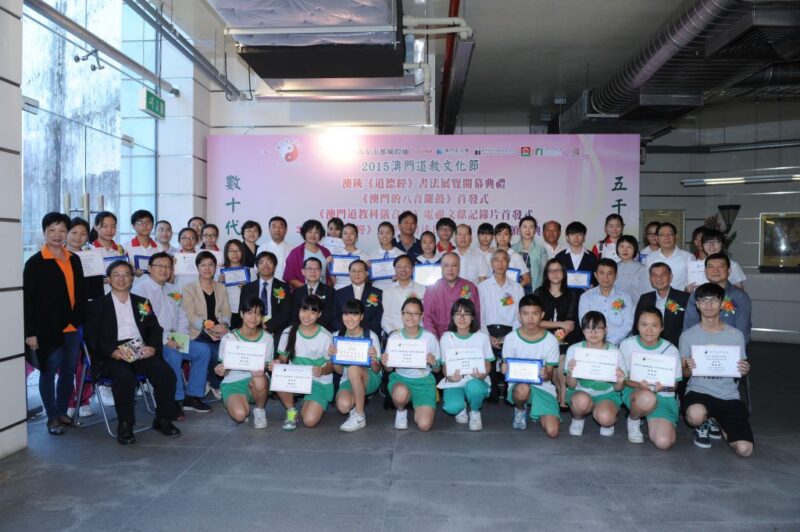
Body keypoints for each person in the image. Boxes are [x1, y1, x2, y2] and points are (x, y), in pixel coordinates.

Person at [84, 260, 179, 445]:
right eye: (116, 275)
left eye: (126, 274)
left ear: (131, 278)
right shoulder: (97, 305)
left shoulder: (141, 302)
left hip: (139, 348)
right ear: (108, 279)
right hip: (112, 353)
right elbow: (92, 336)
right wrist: (112, 351)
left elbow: (155, 329)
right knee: (124, 376)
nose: (121, 279)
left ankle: (163, 419)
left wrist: (152, 347)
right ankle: (125, 424)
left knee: (165, 373)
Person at [24, 213, 86, 435]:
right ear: (44, 233)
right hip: (46, 329)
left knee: (68, 372)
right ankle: (51, 417)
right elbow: (28, 302)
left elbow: (80, 293)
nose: (57, 235)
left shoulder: (74, 259)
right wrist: (31, 333)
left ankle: (61, 411)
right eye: (52, 230)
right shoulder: (35, 263)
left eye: (62, 230)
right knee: (48, 373)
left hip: (72, 328)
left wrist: (79, 319)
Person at [132, 252, 211, 416]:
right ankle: (175, 400)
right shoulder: (140, 290)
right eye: (159, 266)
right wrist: (166, 340)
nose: (164, 269)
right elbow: (143, 324)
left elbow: (182, 315)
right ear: (149, 268)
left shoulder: (173, 289)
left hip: (174, 337)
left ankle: (193, 396)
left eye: (168, 266)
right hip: (152, 342)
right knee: (173, 355)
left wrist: (180, 337)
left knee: (203, 350)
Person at [680, 283, 752, 457]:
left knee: (745, 450)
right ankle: (704, 422)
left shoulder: (736, 335)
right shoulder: (687, 336)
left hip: (728, 395)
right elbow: (682, 373)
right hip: (698, 391)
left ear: (722, 304)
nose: (708, 304)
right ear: (697, 304)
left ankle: (715, 418)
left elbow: (740, 370)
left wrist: (744, 369)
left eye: (714, 300)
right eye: (703, 300)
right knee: (696, 415)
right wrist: (689, 368)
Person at [619, 308, 682, 449]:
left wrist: (663, 388)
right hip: (635, 392)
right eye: (644, 325)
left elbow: (674, 386)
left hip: (662, 395)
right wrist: (638, 386)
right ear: (637, 326)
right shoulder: (627, 345)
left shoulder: (671, 350)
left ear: (662, 327)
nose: (649, 330)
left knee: (663, 442)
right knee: (647, 397)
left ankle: (661, 415)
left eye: (654, 325)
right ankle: (634, 420)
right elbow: (623, 379)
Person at [499, 295, 560, 437]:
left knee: (552, 432)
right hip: (519, 385)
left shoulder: (551, 340)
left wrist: (546, 374)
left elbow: (549, 374)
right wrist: (504, 370)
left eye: (535, 314)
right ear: (519, 315)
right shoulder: (511, 338)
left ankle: (539, 410)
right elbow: (507, 369)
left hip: (543, 387)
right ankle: (520, 409)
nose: (530, 318)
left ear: (542, 315)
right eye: (525, 314)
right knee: (522, 390)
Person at [274, 295, 334, 430]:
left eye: (312, 312)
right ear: (299, 311)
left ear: (319, 314)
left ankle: (310, 401)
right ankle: (291, 410)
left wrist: (322, 370)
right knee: (278, 374)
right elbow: (283, 358)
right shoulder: (288, 332)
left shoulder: (326, 336)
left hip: (318, 380)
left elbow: (331, 367)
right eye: (304, 310)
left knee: (309, 421)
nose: (307, 316)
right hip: (296, 377)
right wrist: (277, 362)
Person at [382, 297, 441, 431]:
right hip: (401, 380)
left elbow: (437, 370)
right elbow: (389, 369)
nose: (411, 317)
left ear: (421, 315)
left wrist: (434, 363)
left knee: (424, 425)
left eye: (415, 313)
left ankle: (418, 407)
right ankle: (401, 410)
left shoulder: (429, 337)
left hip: (424, 383)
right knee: (400, 394)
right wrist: (385, 363)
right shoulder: (394, 337)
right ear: (402, 314)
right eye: (407, 313)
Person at [215, 297, 273, 429]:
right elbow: (226, 369)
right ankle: (242, 406)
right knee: (240, 415)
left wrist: (266, 367)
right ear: (241, 314)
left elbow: (266, 364)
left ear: (262, 317)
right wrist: (221, 370)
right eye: (249, 313)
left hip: (256, 382)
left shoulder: (267, 338)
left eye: (258, 314)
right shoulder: (229, 338)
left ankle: (259, 410)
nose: (253, 318)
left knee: (259, 379)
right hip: (233, 381)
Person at [565, 311, 626, 437]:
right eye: (588, 328)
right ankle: (578, 419)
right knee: (581, 401)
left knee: (606, 418)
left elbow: (618, 388)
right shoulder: (574, 350)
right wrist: (571, 372)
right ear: (583, 330)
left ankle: (606, 417)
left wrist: (620, 380)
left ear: (605, 330)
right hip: (581, 391)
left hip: (607, 394)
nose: (593, 333)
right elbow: (571, 385)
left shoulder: (615, 353)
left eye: (598, 328)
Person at [533, 258, 581, 409]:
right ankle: (559, 388)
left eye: (558, 270)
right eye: (551, 270)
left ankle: (563, 392)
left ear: (564, 273)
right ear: (546, 274)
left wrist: (560, 335)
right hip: (543, 335)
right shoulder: (539, 293)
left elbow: (570, 323)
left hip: (567, 336)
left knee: (561, 357)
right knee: (552, 357)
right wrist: (559, 325)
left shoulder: (572, 294)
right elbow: (536, 321)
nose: (555, 273)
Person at [182, 251, 231, 398]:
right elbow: (190, 315)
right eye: (203, 265)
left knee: (229, 348)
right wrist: (208, 328)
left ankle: (221, 381)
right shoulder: (188, 288)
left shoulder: (221, 287)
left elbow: (226, 310)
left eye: (211, 265)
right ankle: (215, 383)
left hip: (219, 329)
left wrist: (224, 324)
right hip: (198, 331)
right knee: (214, 351)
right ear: (197, 267)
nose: (207, 268)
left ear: (215, 267)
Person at [439, 299, 493, 431]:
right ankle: (461, 406)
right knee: (452, 408)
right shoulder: (446, 338)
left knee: (476, 388)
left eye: (466, 314)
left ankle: (475, 412)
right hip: (455, 381)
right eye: (458, 314)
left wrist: (482, 375)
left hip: (476, 380)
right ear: (452, 317)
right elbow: (445, 366)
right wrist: (450, 377)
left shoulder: (482, 337)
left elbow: (488, 363)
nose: (462, 318)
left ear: (473, 317)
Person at [478, 249, 524, 401]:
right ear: (491, 263)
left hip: (510, 331)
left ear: (508, 263)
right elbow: (479, 315)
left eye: (503, 259)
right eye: (496, 260)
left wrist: (509, 337)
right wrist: (487, 337)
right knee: (488, 357)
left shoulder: (516, 288)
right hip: (488, 331)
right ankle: (492, 386)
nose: (500, 263)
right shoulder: (482, 287)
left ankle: (510, 387)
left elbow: (520, 315)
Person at [331, 299, 382, 432]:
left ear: (361, 316)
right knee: (343, 406)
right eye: (346, 314)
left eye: (354, 314)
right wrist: (334, 359)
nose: (350, 319)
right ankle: (356, 404)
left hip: (370, 378)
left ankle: (359, 416)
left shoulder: (371, 336)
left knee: (353, 369)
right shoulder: (337, 336)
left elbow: (377, 370)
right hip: (347, 379)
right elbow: (339, 371)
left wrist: (373, 359)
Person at [64, 216, 97, 417]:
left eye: (83, 233)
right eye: (74, 232)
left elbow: (96, 290)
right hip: (64, 318)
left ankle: (84, 399)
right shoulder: (59, 257)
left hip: (87, 316)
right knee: (67, 362)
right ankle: (68, 399)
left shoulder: (91, 257)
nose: (78, 237)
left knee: (85, 359)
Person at [683, 253, 752, 345]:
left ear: (729, 270)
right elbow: (689, 325)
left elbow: (743, 331)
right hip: (700, 346)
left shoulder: (740, 296)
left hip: (729, 346)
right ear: (705, 271)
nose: (715, 270)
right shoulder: (696, 294)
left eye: (720, 266)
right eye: (711, 267)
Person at [238, 251, 292, 347]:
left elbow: (285, 312)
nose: (265, 265)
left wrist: (267, 326)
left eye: (270, 262)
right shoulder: (247, 288)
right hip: (252, 325)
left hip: (276, 329)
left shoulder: (283, 287)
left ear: (275, 267)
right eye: (261, 262)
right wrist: (255, 325)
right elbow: (242, 311)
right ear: (257, 267)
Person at [422, 252, 481, 338]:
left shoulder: (469, 287)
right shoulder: (431, 289)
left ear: (459, 267)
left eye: (454, 265)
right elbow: (428, 318)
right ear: (441, 267)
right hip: (439, 337)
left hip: (465, 337)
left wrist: (469, 338)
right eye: (446, 265)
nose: (450, 269)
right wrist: (435, 340)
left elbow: (476, 315)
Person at [578, 258, 634, 346]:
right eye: (602, 273)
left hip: (619, 345)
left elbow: (628, 324)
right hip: (593, 344)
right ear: (595, 275)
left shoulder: (625, 298)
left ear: (616, 276)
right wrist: (598, 342)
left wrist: (611, 342)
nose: (605, 277)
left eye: (610, 273)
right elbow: (585, 323)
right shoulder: (586, 297)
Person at [633, 262, 688, 348]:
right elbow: (636, 326)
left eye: (663, 275)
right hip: (648, 346)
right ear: (650, 279)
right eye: (654, 275)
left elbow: (688, 326)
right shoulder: (645, 298)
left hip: (676, 346)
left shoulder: (684, 298)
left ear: (671, 277)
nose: (659, 279)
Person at [332, 260, 383, 338]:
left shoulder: (378, 293)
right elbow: (334, 317)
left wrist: (365, 332)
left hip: (369, 335)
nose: (357, 274)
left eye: (360, 271)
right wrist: (346, 331)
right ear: (349, 274)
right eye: (353, 271)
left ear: (366, 274)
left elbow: (379, 317)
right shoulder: (339, 293)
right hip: (345, 335)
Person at [381, 255, 426, 337]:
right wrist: (393, 333)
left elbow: (424, 315)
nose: (403, 269)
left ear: (413, 269)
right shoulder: (387, 290)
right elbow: (386, 316)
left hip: (418, 335)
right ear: (395, 269)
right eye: (399, 267)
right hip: (394, 334)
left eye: (406, 266)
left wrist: (419, 334)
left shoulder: (422, 289)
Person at [284, 219, 332, 289]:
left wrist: (327, 290)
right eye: (310, 232)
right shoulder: (295, 253)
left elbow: (329, 275)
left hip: (323, 292)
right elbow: (289, 276)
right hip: (303, 292)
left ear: (320, 235)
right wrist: (309, 290)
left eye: (316, 232)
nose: (313, 235)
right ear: (304, 233)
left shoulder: (326, 252)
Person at [646, 222, 693, 290]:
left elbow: (693, 282)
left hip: (682, 296)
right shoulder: (650, 258)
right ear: (656, 238)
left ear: (676, 236)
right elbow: (647, 283)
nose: (666, 238)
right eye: (662, 235)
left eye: (670, 234)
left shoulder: (688, 257)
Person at [219, 239, 253, 329]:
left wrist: (246, 289)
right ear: (226, 253)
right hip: (225, 313)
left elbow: (255, 294)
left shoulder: (250, 271)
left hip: (245, 312)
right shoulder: (219, 272)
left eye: (238, 250)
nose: (235, 253)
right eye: (231, 251)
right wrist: (219, 283)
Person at [90, 211, 127, 294]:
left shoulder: (121, 249)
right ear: (95, 227)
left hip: (119, 294)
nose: (109, 230)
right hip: (95, 296)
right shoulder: (88, 250)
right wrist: (100, 281)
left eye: (113, 226)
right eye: (105, 226)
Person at [555, 221, 598, 287]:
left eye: (579, 234)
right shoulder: (559, 257)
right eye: (572, 234)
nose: (576, 238)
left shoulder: (592, 257)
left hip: (587, 293)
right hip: (564, 293)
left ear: (584, 237)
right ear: (567, 237)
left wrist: (592, 286)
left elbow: (597, 278)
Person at [512, 215, 548, 293]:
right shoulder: (512, 249)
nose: (528, 230)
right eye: (524, 227)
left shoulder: (541, 250)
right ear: (519, 229)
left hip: (534, 289)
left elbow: (544, 273)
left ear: (535, 230)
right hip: (515, 289)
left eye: (531, 227)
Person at [367, 221, 403, 291]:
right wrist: (367, 270)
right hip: (376, 290)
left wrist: (400, 276)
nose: (384, 236)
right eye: (381, 233)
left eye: (388, 233)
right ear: (378, 235)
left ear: (393, 235)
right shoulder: (371, 256)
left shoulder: (401, 255)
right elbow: (368, 280)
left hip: (396, 290)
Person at [493, 222, 530, 288]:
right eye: (499, 234)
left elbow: (527, 279)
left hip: (511, 294)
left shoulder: (516, 257)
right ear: (495, 237)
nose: (502, 237)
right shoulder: (490, 255)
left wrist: (514, 289)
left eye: (505, 234)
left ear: (510, 237)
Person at [615, 234, 650, 303]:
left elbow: (647, 292)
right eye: (622, 246)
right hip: (615, 306)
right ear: (617, 249)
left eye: (629, 247)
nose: (625, 250)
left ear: (635, 249)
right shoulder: (613, 268)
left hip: (636, 305)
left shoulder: (642, 268)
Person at [332, 223, 364, 290]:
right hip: (339, 289)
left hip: (358, 289)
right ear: (342, 236)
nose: (348, 236)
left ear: (356, 237)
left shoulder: (364, 256)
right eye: (345, 233)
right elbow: (332, 276)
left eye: (352, 233)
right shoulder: (335, 255)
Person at [127, 210, 159, 277]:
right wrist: (132, 272)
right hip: (134, 283)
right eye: (139, 222)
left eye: (147, 222)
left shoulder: (159, 247)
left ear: (152, 225)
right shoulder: (125, 247)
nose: (144, 225)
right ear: (133, 226)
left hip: (155, 283)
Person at [264, 216, 291, 281]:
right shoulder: (262, 248)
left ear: (286, 230)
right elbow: (257, 270)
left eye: (281, 227)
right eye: (274, 227)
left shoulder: (293, 250)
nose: (277, 230)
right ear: (269, 229)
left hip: (287, 284)